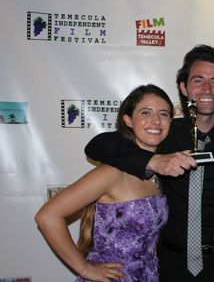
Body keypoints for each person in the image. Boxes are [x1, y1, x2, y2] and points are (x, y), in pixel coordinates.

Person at [84, 45, 214, 281]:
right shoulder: (162, 134)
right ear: (184, 88)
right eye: (198, 80)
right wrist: (153, 161)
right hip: (168, 264)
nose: (207, 88)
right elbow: (99, 144)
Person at [35, 84, 178, 281]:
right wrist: (85, 269)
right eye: (146, 112)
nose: (156, 120)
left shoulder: (159, 174)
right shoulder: (112, 172)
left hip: (147, 274)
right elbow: (47, 216)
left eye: (163, 114)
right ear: (128, 120)